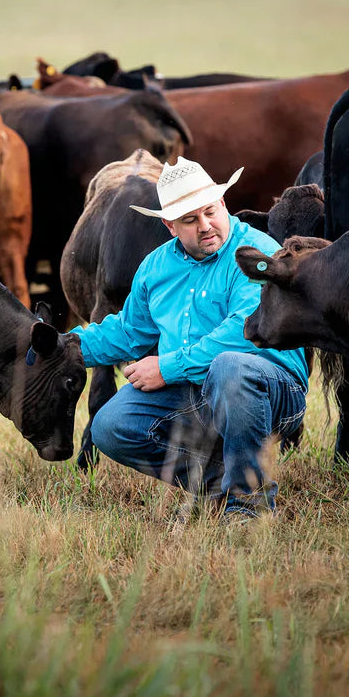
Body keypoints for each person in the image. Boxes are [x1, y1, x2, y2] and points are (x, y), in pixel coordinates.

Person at [73, 156, 309, 518]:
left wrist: (167, 368)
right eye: (189, 219)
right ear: (169, 225)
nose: (205, 226)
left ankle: (248, 508)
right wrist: (69, 348)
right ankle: (222, 481)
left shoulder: (255, 251)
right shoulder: (155, 266)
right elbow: (129, 332)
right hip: (194, 390)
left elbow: (245, 332)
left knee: (230, 368)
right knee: (109, 425)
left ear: (224, 204)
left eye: (210, 212)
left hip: (268, 387)